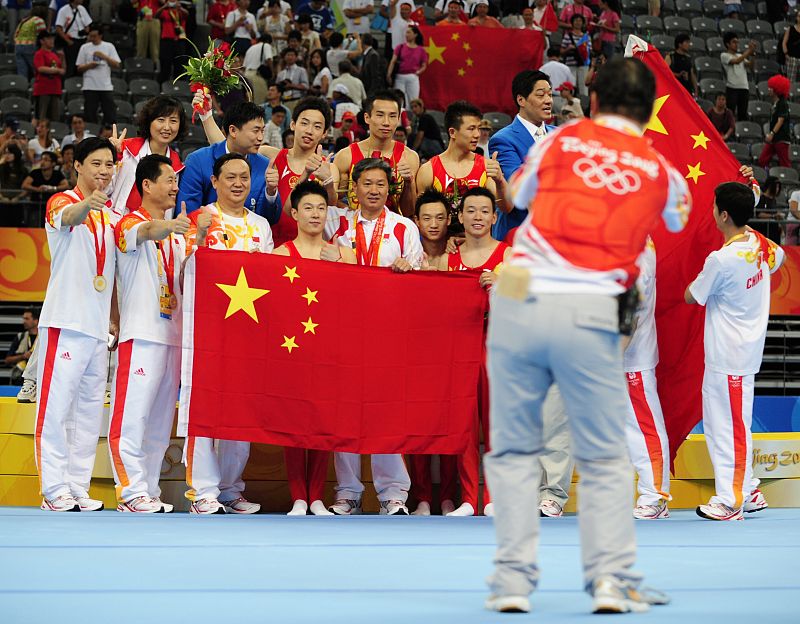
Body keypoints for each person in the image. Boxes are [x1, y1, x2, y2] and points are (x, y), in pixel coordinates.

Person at [483, 57, 690, 615]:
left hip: (521, 296)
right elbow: (677, 218)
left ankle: (511, 583)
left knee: (513, 443)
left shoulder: (560, 140)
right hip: (594, 308)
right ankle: (609, 581)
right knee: (601, 456)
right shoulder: (660, 171)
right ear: (648, 113)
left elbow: (518, 199)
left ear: (592, 103)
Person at [328, 158, 423, 516]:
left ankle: (393, 493)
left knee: (387, 413)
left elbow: (418, 280)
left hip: (387, 332)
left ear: (390, 189)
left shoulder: (404, 228)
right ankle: (348, 492)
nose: (373, 191)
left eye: (380, 184)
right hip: (345, 329)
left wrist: (408, 269)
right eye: (367, 183)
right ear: (354, 187)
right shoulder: (336, 223)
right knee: (345, 413)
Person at [686, 181, 784, 521]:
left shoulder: (721, 259)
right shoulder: (760, 244)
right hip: (730, 355)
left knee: (731, 429)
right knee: (720, 427)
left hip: (732, 356)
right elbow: (780, 258)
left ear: (723, 215)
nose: (711, 211)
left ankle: (731, 500)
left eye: (714, 206)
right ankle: (751, 489)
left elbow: (691, 295)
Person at [180, 154, 272, 515]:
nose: (238, 183)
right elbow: (182, 268)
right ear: (214, 182)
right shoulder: (199, 218)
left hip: (248, 334)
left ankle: (230, 489)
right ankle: (202, 491)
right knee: (202, 410)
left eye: (245, 177)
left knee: (241, 414)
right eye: (230, 177)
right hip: (206, 330)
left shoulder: (262, 226)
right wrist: (200, 235)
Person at [109, 154, 199, 513]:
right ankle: (129, 490)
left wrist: (199, 235)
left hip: (173, 336)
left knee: (161, 423)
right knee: (132, 416)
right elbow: (146, 232)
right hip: (141, 334)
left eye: (177, 182)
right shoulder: (129, 223)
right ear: (146, 185)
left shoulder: (178, 235)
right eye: (169, 180)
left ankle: (148, 488)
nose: (176, 186)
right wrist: (171, 227)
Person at [35, 136, 119, 513]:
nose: (103, 171)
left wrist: (114, 319)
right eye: (96, 164)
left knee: (87, 413)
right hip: (65, 323)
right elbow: (68, 218)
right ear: (78, 166)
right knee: (55, 410)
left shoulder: (112, 216)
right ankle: (53, 488)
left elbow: (113, 274)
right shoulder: (62, 202)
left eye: (109, 165)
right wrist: (87, 203)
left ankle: (76, 486)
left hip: (98, 330)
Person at [273, 180, 356, 516]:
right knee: (294, 422)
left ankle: (318, 495)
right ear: (294, 213)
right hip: (292, 346)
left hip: (328, 345)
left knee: (322, 420)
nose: (315, 214)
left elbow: (362, 293)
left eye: (321, 208)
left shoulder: (342, 252)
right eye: (308, 207)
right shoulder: (279, 255)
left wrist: (342, 262)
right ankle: (298, 496)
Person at [196, 95, 338, 247]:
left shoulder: (329, 168)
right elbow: (229, 148)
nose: (309, 131)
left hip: (309, 249)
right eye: (304, 123)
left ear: (324, 133)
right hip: (273, 247)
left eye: (317, 126)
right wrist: (206, 116)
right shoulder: (270, 156)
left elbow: (332, 204)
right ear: (292, 124)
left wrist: (328, 181)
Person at [622, 239, 671, 520]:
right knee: (630, 431)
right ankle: (649, 493)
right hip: (621, 352)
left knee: (645, 427)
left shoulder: (636, 251)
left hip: (631, 356)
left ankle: (656, 496)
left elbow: (630, 316)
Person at [178, 101, 280, 221]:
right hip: (208, 234)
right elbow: (188, 212)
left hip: (250, 236)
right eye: (255, 131)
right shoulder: (198, 161)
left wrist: (271, 192)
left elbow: (269, 219)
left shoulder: (264, 166)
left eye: (262, 131)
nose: (260, 138)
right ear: (233, 131)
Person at [416, 100, 506, 235]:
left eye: (478, 128)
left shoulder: (486, 167)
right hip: (442, 249)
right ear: (452, 132)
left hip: (478, 249)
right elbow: (422, 219)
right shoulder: (429, 170)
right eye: (471, 129)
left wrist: (500, 181)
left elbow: (506, 208)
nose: (477, 134)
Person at [487, 70, 554, 240]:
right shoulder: (502, 139)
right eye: (540, 95)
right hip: (518, 234)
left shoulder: (560, 135)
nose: (548, 100)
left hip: (556, 235)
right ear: (521, 100)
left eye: (550, 94)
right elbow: (519, 186)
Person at [334, 90, 420, 217]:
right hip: (356, 231)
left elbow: (410, 212)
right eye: (380, 115)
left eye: (392, 116)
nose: (386, 122)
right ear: (367, 118)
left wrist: (408, 183)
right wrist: (356, 216)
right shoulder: (346, 156)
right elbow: (334, 201)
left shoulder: (410, 158)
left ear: (398, 119)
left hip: (393, 233)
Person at [110, 95, 187, 217]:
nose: (167, 127)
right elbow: (103, 188)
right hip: (117, 225)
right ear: (149, 122)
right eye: (161, 120)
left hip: (155, 230)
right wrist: (112, 158)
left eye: (173, 121)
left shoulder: (177, 167)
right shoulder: (125, 149)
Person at [76, 25, 120, 125]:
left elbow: (116, 64)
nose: (92, 38)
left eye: (94, 36)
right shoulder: (84, 47)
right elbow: (79, 68)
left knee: (110, 115)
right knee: (90, 115)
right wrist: (89, 65)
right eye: (90, 36)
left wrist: (104, 57)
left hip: (105, 86)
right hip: (89, 86)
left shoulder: (109, 46)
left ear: (100, 35)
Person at [387, 25, 427, 109]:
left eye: (409, 32)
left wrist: (419, 72)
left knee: (413, 99)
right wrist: (389, 74)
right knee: (399, 99)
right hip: (399, 77)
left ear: (415, 35)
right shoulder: (400, 47)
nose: (406, 34)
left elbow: (424, 65)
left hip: (412, 77)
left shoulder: (421, 50)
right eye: (406, 32)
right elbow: (393, 61)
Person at [758, 75, 792, 169]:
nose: (769, 89)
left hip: (781, 138)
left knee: (785, 164)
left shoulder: (782, 103)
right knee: (762, 160)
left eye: (771, 88)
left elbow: (780, 120)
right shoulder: (775, 104)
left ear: (776, 90)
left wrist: (772, 133)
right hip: (774, 139)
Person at [721, 33, 756, 122]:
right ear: (727, 44)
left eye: (737, 42)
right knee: (730, 113)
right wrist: (749, 50)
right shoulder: (724, 55)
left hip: (744, 88)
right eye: (734, 42)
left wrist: (752, 54)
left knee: (743, 114)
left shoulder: (740, 55)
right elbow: (736, 61)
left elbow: (751, 66)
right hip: (732, 88)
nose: (736, 44)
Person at [34, 30, 66, 123]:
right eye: (48, 38)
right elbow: (40, 68)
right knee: (42, 117)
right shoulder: (39, 53)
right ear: (42, 41)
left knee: (55, 118)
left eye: (52, 38)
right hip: (43, 90)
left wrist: (63, 58)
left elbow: (63, 70)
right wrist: (57, 70)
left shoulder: (54, 55)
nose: (52, 40)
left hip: (55, 89)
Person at [54, 0, 91, 77]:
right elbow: (58, 28)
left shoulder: (82, 9)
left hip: (82, 41)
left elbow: (88, 24)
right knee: (70, 65)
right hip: (71, 41)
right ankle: (68, 84)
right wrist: (68, 41)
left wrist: (87, 34)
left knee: (81, 65)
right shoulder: (64, 10)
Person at [5, 308, 39, 386]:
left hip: (37, 379)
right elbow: (7, 360)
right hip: (19, 380)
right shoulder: (20, 337)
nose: (24, 321)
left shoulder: (43, 338)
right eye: (23, 318)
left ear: (36, 321)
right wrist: (23, 356)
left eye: (27, 319)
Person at [157, 0, 188, 83]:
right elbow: (156, 15)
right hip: (167, 41)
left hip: (180, 41)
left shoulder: (181, 11)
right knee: (165, 66)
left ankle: (178, 88)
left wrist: (180, 8)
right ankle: (163, 86)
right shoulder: (165, 11)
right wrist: (164, 6)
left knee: (179, 67)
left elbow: (187, 14)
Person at [14, 3, 47, 80]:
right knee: (36, 69)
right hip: (30, 46)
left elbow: (16, 34)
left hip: (18, 46)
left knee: (22, 71)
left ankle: (22, 88)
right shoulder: (39, 20)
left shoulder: (24, 20)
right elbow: (43, 36)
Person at [561, 13, 591, 95]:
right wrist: (569, 48)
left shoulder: (586, 37)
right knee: (571, 87)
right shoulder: (568, 36)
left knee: (584, 89)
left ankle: (584, 106)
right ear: (572, 23)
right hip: (571, 64)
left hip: (583, 64)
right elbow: (561, 51)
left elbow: (590, 51)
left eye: (580, 21)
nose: (578, 22)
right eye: (576, 21)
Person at [243, 33, 274, 105]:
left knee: (249, 101)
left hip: (246, 75)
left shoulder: (250, 48)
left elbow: (244, 66)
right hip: (257, 76)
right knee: (259, 103)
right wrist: (272, 73)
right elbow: (269, 59)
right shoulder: (266, 45)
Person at [665, 33, 697, 97]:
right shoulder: (671, 56)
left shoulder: (688, 58)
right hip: (674, 89)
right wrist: (678, 75)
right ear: (680, 44)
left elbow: (692, 75)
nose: (689, 45)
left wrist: (696, 90)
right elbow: (664, 72)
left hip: (687, 90)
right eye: (686, 42)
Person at [782, 11, 800, 89]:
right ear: (797, 17)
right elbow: (784, 43)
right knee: (790, 82)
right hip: (792, 58)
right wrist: (786, 54)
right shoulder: (790, 29)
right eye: (799, 16)